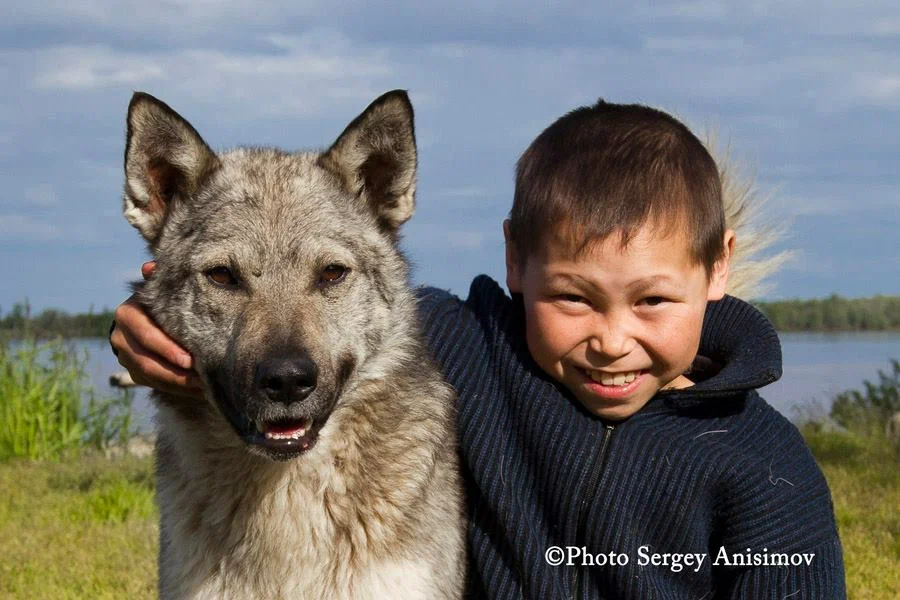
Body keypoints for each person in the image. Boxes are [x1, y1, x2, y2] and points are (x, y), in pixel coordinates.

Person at [110, 99, 845, 599]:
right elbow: (165, 308)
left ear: (716, 271)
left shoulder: (768, 477)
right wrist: (142, 330)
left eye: (330, 275)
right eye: (224, 276)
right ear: (516, 267)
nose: (613, 340)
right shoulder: (472, 346)